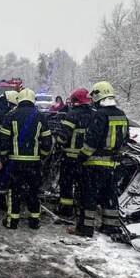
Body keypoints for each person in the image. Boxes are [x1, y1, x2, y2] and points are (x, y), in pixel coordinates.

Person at [77, 81, 130, 238]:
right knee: (110, 196)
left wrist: (81, 157)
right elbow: (125, 141)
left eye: (93, 96)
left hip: (95, 163)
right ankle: (110, 227)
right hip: (113, 164)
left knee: (89, 196)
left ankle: (85, 229)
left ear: (98, 95)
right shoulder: (121, 114)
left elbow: (92, 140)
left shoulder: (99, 115)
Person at [0, 88, 54, 229]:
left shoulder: (10, 116)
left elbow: (3, 140)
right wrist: (42, 156)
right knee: (33, 191)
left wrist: (3, 156)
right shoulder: (40, 117)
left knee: (14, 191)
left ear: (19, 100)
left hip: (14, 162)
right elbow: (47, 143)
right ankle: (34, 221)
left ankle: (12, 221)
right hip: (34, 163)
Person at [55, 88, 94, 221]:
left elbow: (63, 137)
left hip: (70, 158)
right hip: (87, 158)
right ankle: (81, 209)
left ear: (76, 100)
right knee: (83, 185)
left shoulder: (72, 115)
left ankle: (66, 209)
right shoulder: (95, 115)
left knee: (66, 183)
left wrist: (58, 142)